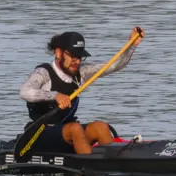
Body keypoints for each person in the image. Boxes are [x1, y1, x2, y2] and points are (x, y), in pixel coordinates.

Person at [19, 27, 144, 155]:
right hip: (39, 135)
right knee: (75, 128)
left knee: (100, 127)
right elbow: (24, 91)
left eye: (79, 57)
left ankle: (116, 165)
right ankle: (93, 166)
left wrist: (131, 46)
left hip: (68, 133)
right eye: (72, 56)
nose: (77, 61)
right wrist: (55, 96)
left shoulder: (81, 73)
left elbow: (114, 65)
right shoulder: (43, 73)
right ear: (58, 53)